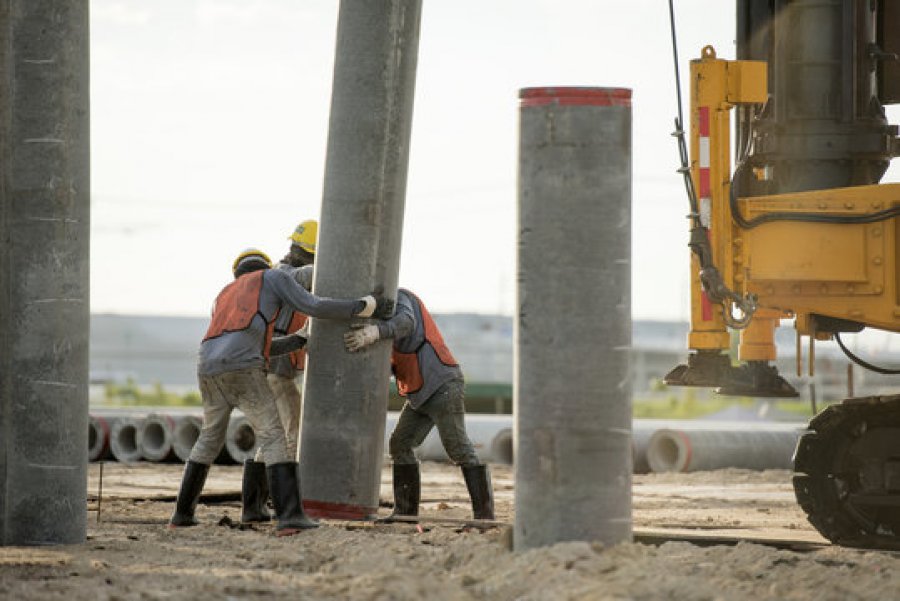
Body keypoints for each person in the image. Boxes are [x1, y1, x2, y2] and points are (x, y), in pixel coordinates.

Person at [169, 248, 394, 536]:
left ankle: (182, 514)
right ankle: (290, 516)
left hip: (207, 367)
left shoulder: (224, 294)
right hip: (243, 370)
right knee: (274, 435)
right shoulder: (273, 277)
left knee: (209, 438)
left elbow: (254, 346)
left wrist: (297, 341)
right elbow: (315, 306)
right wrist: (365, 306)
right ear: (265, 265)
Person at [343, 288, 494, 522]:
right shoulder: (379, 320)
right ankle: (405, 513)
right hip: (419, 392)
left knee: (458, 448)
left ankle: (484, 516)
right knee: (400, 444)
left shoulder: (401, 299)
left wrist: (374, 332)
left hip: (441, 385)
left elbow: (406, 323)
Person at [241, 220, 318, 524]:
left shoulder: (280, 274)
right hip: (276, 370)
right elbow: (307, 276)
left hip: (273, 370)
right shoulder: (284, 275)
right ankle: (286, 506)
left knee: (273, 437)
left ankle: (255, 505)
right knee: (291, 435)